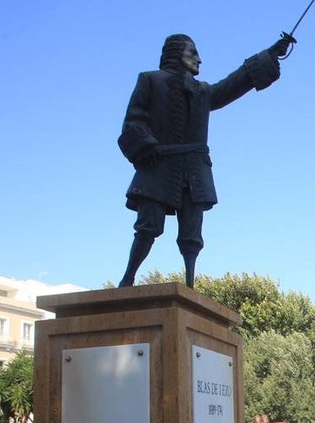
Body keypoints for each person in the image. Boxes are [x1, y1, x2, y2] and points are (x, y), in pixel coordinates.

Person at [117, 33, 292, 288]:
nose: (199, 59)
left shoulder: (202, 91)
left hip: (194, 169)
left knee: (192, 233)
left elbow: (233, 84)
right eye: (192, 52)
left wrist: (270, 54)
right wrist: (147, 146)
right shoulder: (150, 80)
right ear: (176, 55)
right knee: (148, 225)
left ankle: (190, 284)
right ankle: (129, 276)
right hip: (159, 164)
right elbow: (133, 120)